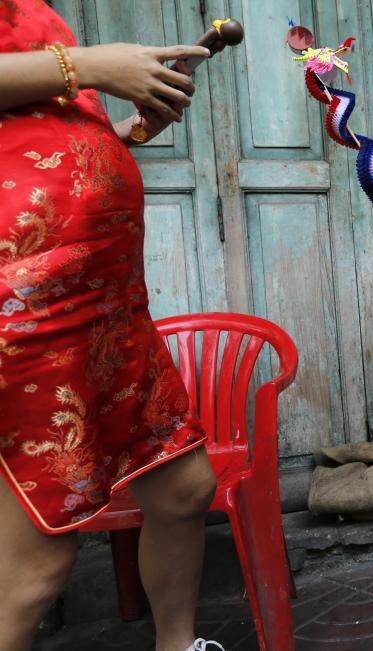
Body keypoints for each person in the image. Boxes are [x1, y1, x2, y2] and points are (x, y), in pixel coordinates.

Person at [1, 2, 223, 650]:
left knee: (184, 488)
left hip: (108, 305)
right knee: (36, 567)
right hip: (29, 315)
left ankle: (177, 645)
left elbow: (30, 128)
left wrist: (114, 134)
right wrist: (90, 66)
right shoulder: (69, 55)